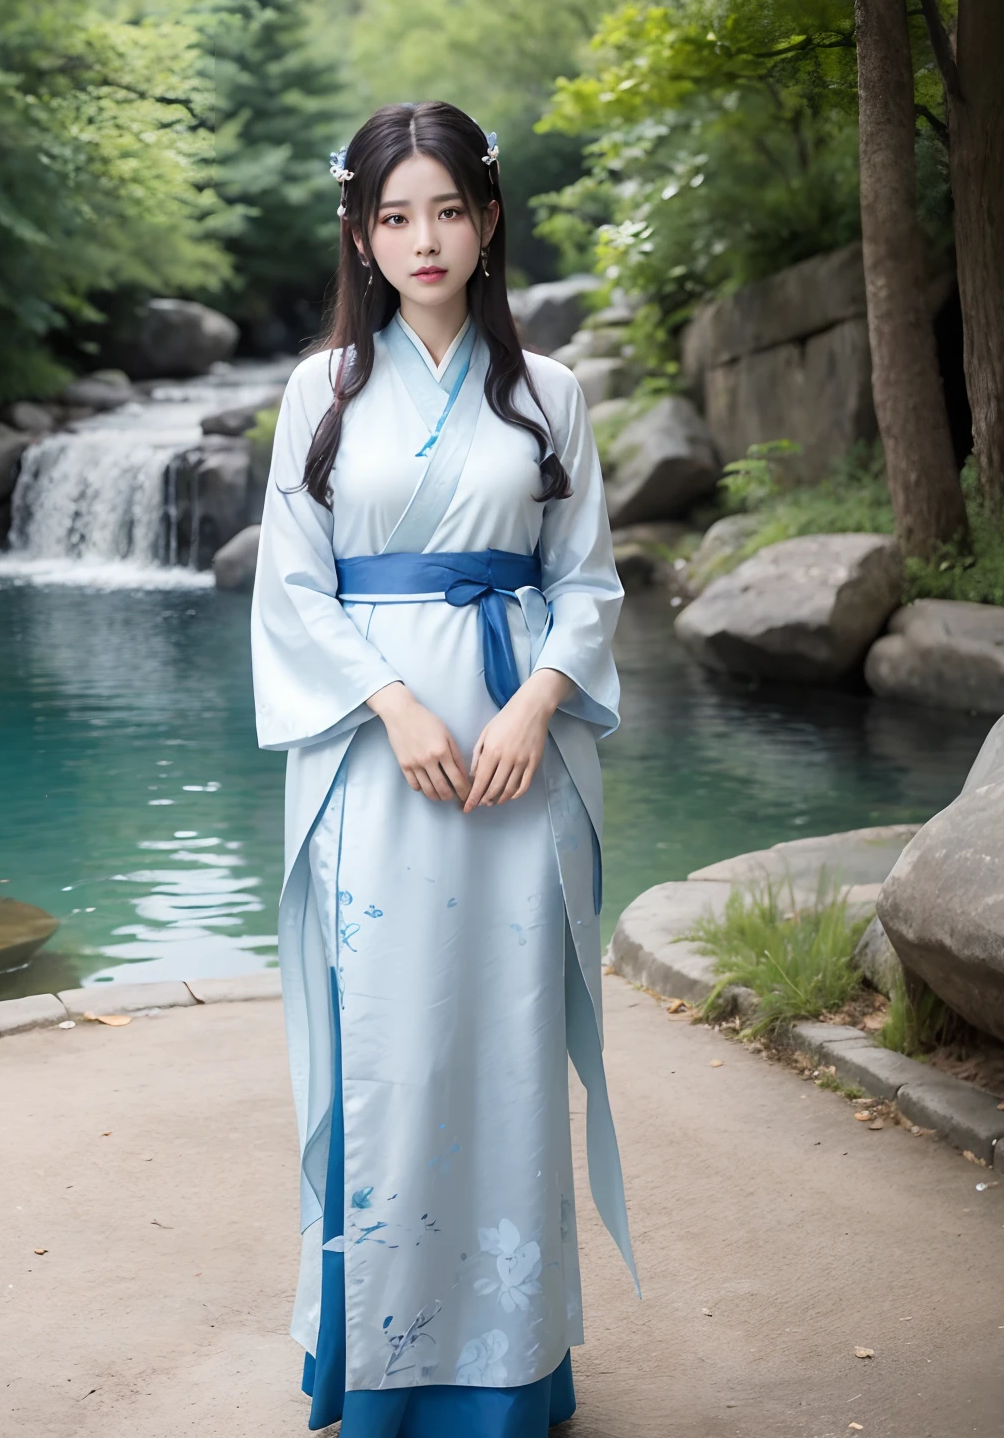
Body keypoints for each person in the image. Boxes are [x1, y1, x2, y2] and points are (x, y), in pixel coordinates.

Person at [250, 100, 637, 1436]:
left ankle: (509, 1377)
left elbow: (587, 582)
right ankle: (384, 1372)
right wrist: (391, 704)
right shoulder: (319, 392)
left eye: (450, 210)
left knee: (506, 1054)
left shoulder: (552, 395)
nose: (427, 238)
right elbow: (296, 590)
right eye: (397, 215)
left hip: (514, 759)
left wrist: (536, 703)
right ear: (361, 233)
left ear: (487, 222)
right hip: (379, 762)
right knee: (393, 1055)